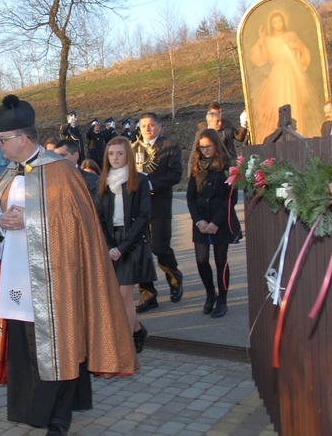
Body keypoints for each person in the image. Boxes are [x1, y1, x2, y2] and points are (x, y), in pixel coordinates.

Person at [0, 94, 137, 436]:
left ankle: (59, 417)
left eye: (3, 140)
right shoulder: (6, 175)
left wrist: (29, 222)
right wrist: (1, 223)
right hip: (13, 278)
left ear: (21, 138)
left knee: (59, 345)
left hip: (56, 281)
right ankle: (29, 409)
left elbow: (76, 228)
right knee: (24, 345)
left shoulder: (62, 173)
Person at [95, 136, 153, 353]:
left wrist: (122, 247)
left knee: (123, 296)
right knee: (116, 296)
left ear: (127, 154)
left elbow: (144, 216)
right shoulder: (104, 181)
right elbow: (99, 217)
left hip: (134, 242)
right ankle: (138, 330)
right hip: (112, 243)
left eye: (120, 153)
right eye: (111, 154)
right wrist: (109, 245)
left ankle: (125, 347)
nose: (115, 158)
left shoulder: (139, 180)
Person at [186, 129, 242, 318]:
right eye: (201, 148)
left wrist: (216, 223)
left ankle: (223, 300)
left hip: (221, 220)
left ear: (216, 145)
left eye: (208, 146)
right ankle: (210, 294)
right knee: (201, 260)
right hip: (201, 220)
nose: (205, 151)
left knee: (220, 262)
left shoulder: (227, 166)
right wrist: (198, 221)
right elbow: (190, 197)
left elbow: (231, 199)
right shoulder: (196, 167)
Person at [131, 113, 183, 313]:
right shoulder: (133, 148)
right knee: (141, 250)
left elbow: (175, 174)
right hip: (137, 207)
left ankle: (174, 277)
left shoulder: (170, 146)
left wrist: (149, 184)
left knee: (160, 247)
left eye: (151, 125)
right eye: (144, 125)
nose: (147, 129)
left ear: (159, 127)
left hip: (159, 204)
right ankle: (148, 295)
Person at [248, 11, 322, 141]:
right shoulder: (268, 39)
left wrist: (297, 46)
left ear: (284, 22)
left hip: (293, 75)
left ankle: (299, 136)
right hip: (277, 76)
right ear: (271, 24)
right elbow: (258, 59)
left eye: (280, 21)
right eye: (275, 22)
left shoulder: (291, 35)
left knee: (295, 102)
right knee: (277, 103)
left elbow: (303, 51)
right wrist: (261, 39)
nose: (278, 24)